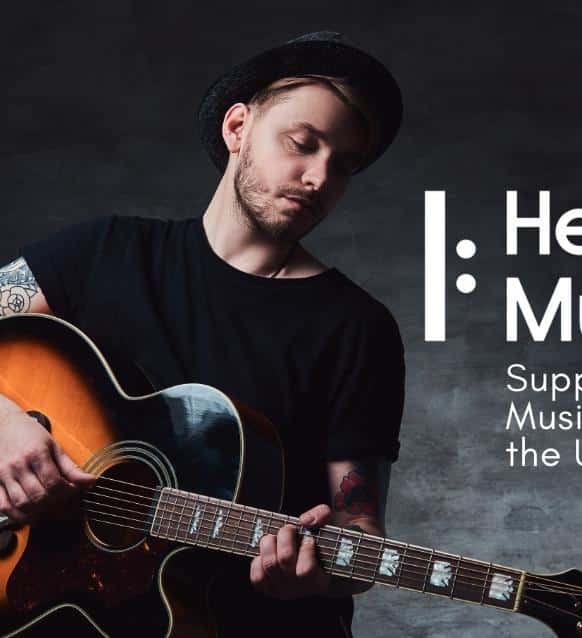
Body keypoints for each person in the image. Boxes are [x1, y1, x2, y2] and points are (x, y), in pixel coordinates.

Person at [0, 31, 405, 636]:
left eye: (343, 165)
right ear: (238, 127)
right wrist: (3, 420)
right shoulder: (102, 252)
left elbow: (359, 528)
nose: (319, 177)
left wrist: (321, 574)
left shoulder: (358, 328)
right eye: (302, 144)